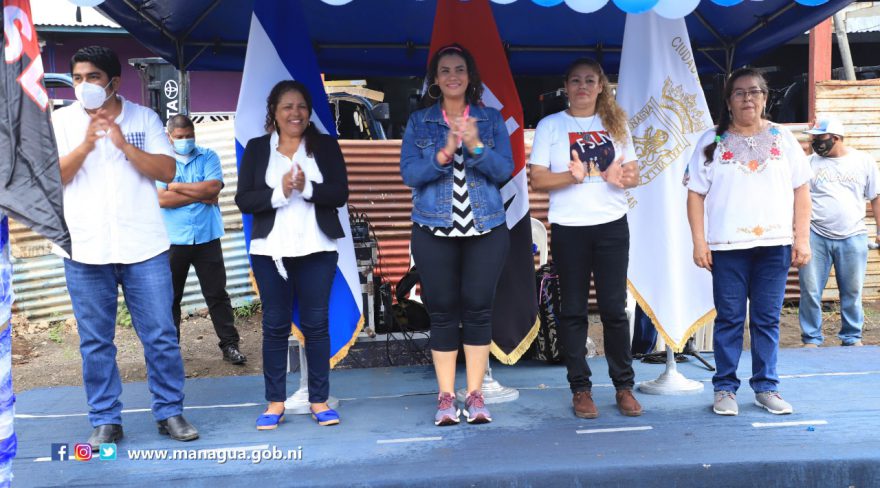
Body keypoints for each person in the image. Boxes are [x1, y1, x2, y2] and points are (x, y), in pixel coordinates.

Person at [52, 46, 198, 448]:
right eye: (77, 78)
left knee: (161, 335)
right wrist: (86, 144)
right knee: (95, 342)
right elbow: (52, 177)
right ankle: (105, 420)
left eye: (93, 77)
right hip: (84, 248)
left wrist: (123, 144)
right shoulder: (61, 121)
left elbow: (167, 169)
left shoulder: (144, 118)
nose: (84, 85)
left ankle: (170, 412)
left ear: (113, 82)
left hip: (143, 246)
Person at [686, 67, 812, 417]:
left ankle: (766, 387)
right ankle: (725, 387)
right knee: (729, 318)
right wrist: (699, 242)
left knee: (766, 319)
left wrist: (802, 238)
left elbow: (801, 189)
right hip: (727, 247)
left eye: (754, 91)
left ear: (765, 97)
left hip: (775, 245)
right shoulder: (710, 141)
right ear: (728, 101)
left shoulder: (783, 138)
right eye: (739, 93)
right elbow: (695, 194)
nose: (747, 98)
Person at [400, 44, 513, 426]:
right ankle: (447, 397)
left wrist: (475, 145)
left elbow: (505, 171)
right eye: (445, 70)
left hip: (486, 228)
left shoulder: (490, 119)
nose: (452, 76)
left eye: (459, 69)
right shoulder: (419, 121)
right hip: (433, 229)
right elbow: (410, 175)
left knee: (479, 309)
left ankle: (475, 395)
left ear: (470, 76)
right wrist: (444, 152)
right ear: (435, 79)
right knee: (443, 311)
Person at [529, 57, 642, 419]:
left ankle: (624, 386)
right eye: (576, 80)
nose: (582, 87)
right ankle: (580, 389)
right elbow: (538, 179)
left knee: (614, 310)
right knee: (573, 311)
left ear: (600, 86)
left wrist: (619, 178)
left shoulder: (616, 122)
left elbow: (634, 173)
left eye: (590, 80)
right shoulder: (551, 125)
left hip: (611, 225)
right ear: (566, 86)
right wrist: (571, 177)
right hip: (569, 228)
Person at [235, 80, 349, 430]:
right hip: (270, 252)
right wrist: (280, 191)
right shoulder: (257, 149)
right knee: (274, 326)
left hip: (318, 248)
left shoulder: (324, 146)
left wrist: (306, 187)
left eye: (301, 106)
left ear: (309, 111)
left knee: (316, 325)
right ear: (274, 111)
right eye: (287, 106)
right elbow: (244, 200)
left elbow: (339, 193)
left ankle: (319, 400)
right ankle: (275, 403)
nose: (295, 113)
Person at [158, 114, 247, 364]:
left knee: (217, 294)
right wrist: (201, 194)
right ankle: (170, 352)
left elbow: (213, 189)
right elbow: (162, 199)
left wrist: (176, 187)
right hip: (173, 240)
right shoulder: (161, 163)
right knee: (170, 297)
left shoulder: (208, 156)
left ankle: (230, 346)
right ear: (169, 137)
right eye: (180, 137)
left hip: (207, 236)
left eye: (189, 136)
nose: (185, 141)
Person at [799, 117, 879, 348]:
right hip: (815, 234)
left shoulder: (863, 161)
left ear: (835, 138)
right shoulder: (808, 164)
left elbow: (876, 196)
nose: (815, 143)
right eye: (813, 138)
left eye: (819, 138)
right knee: (810, 290)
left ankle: (852, 337)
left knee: (852, 291)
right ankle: (811, 338)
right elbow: (800, 198)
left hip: (854, 235)